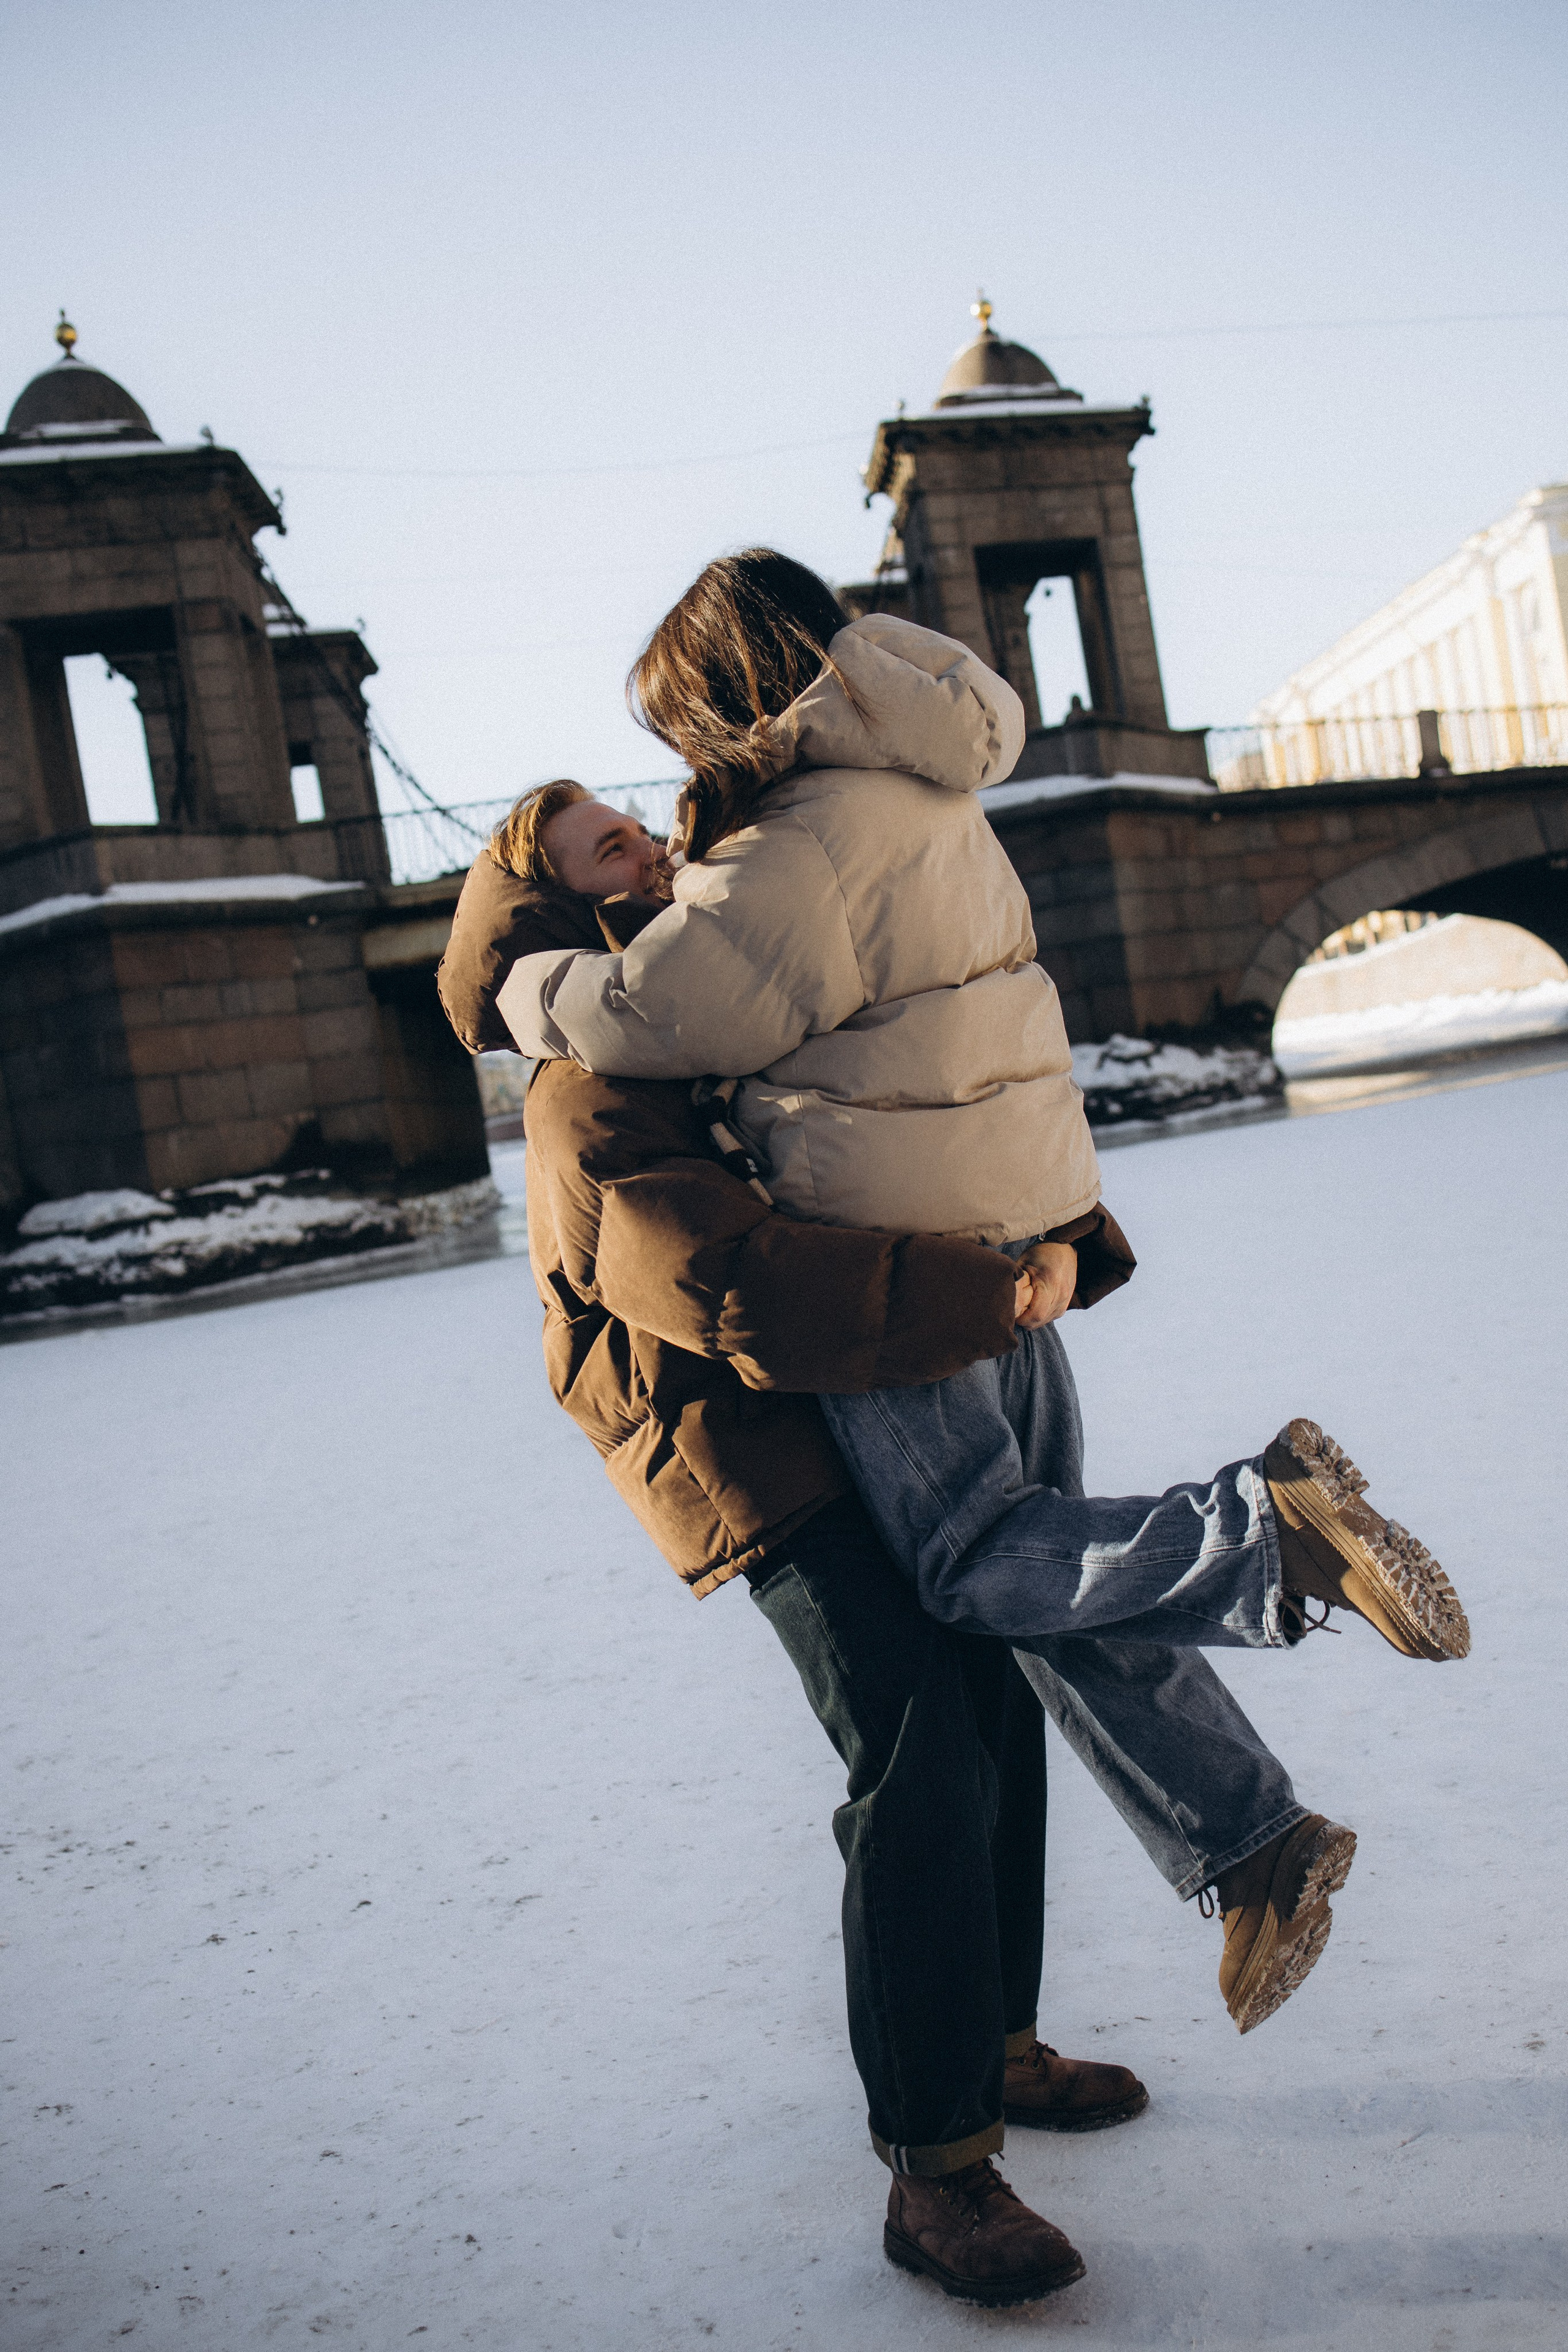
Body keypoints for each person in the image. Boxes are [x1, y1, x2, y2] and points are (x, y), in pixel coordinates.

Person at [486, 554, 1469, 1975]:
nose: (680, 773)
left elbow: (660, 1011)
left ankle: (1269, 1532)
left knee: (972, 1563)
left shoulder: (792, 843)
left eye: (681, 730)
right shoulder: (928, 789)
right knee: (1052, 1564)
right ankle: (1250, 1843)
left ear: (728, 694)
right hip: (1012, 1223)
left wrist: (521, 981)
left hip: (895, 1256)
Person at [439, 787, 1350, 2307]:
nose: (650, 851)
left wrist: (1062, 1246)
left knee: (993, 1711)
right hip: (760, 1466)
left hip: (873, 1412)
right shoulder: (586, 1090)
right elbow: (730, 1283)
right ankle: (935, 2174)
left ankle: (997, 2048)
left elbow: (895, 1136)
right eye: (611, 849)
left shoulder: (712, 1020)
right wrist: (980, 1299)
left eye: (642, 829)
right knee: (918, 1758)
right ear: (550, 907)